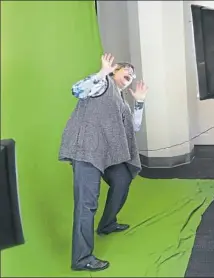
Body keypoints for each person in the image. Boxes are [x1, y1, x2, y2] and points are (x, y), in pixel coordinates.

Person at [58, 53, 148, 271]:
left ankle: (107, 223)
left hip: (107, 156)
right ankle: (81, 258)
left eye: (133, 74)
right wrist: (102, 72)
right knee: (86, 205)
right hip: (87, 151)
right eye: (126, 70)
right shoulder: (102, 84)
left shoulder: (121, 101)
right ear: (115, 70)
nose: (131, 75)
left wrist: (140, 102)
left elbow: (134, 127)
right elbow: (76, 90)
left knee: (123, 178)